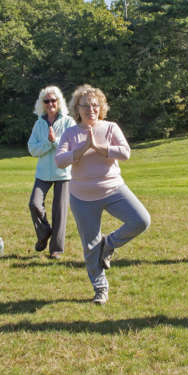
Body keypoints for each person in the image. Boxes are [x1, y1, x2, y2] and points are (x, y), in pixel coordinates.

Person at [55, 85, 150, 304]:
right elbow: (60, 160)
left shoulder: (110, 128)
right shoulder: (71, 132)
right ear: (77, 109)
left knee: (141, 220)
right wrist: (80, 150)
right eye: (86, 106)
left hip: (113, 189)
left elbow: (125, 153)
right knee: (90, 246)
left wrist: (99, 148)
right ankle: (100, 289)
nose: (91, 109)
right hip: (82, 196)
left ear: (102, 107)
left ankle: (109, 244)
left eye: (95, 105)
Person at [27, 85, 75, 259]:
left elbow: (71, 146)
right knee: (34, 204)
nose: (50, 104)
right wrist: (49, 144)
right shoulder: (39, 123)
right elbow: (32, 149)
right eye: (46, 101)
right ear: (42, 104)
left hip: (63, 173)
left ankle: (56, 250)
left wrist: (54, 143)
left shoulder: (69, 122)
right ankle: (44, 233)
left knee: (59, 212)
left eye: (53, 100)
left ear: (59, 101)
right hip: (43, 174)